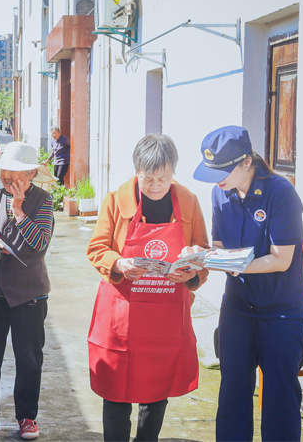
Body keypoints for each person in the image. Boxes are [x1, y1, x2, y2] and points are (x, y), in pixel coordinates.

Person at [86, 134, 209, 442]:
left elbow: (203, 250)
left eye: (163, 178)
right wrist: (119, 264)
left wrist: (190, 271)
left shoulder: (188, 201)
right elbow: (97, 248)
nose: (155, 185)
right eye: (148, 178)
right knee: (116, 390)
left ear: (173, 172)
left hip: (166, 315)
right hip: (123, 311)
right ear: (136, 171)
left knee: (157, 390)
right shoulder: (116, 200)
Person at [192, 125, 303, 442]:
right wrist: (200, 256)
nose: (216, 179)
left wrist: (225, 262)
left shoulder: (280, 193)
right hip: (238, 307)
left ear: (246, 162)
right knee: (232, 392)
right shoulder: (220, 192)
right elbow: (219, 245)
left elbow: (281, 259)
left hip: (281, 310)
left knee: (279, 397)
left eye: (222, 171)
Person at [0, 142, 56, 441]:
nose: (8, 176)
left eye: (16, 171)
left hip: (29, 294)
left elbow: (39, 246)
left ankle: (27, 417)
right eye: (5, 169)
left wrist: (19, 211)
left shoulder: (43, 201)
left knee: (29, 360)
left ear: (31, 173)